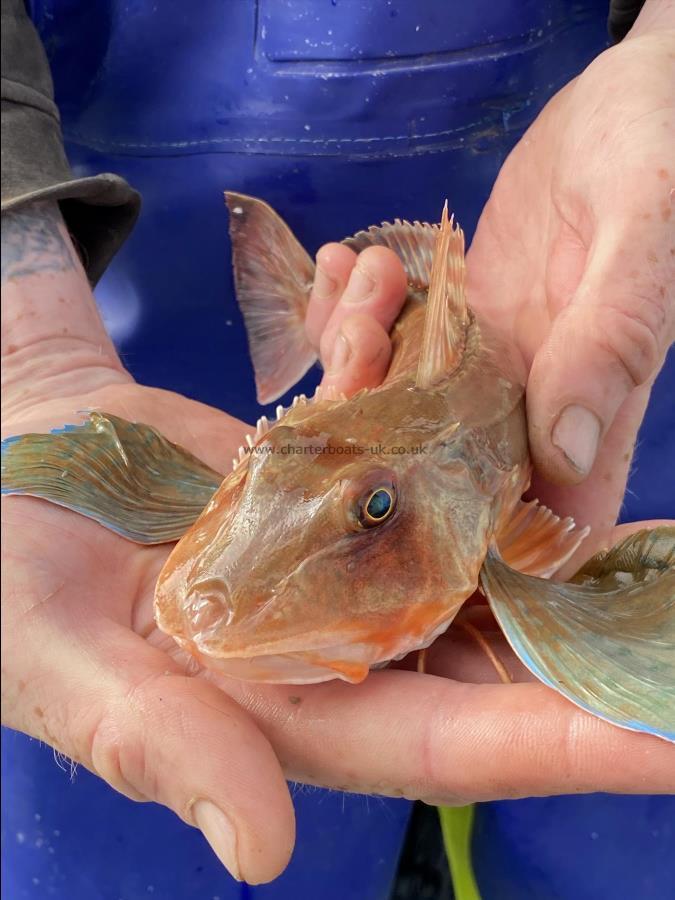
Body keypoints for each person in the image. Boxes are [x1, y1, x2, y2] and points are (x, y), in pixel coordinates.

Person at [2, 0, 674, 888]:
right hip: (133, 270)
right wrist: (28, 355)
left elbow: (519, 529)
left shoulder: (475, 517)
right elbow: (297, 470)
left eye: (378, 515)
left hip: (607, 261)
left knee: (606, 842)